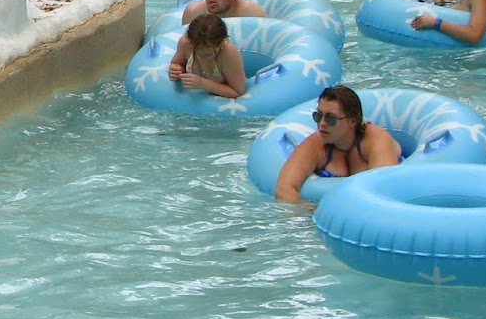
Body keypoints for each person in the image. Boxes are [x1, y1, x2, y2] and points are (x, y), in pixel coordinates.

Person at [273, 85, 403, 205]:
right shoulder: (317, 143)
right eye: (318, 116)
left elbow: (383, 190)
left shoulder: (375, 140)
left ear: (352, 121)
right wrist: (312, 212)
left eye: (331, 118)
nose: (322, 123)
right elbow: (284, 190)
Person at [168, 13, 247, 99]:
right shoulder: (186, 43)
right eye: (197, 52)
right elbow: (177, 63)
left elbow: (238, 91)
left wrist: (203, 84)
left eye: (208, 54)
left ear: (222, 42)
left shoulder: (228, 53)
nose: (202, 57)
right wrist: (176, 70)